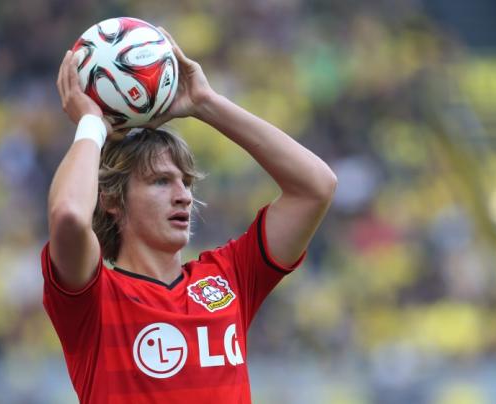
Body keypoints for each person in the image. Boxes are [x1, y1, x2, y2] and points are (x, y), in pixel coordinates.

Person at [43, 26, 337, 403]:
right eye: (160, 182)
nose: (183, 196)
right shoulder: (93, 299)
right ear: (112, 199)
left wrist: (206, 103)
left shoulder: (228, 278)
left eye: (186, 182)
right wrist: (91, 126)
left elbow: (316, 187)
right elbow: (68, 215)